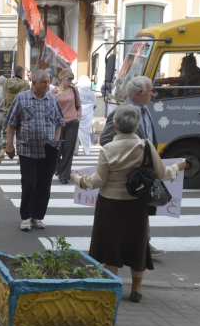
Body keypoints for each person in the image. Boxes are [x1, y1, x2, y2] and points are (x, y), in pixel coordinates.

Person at [72, 104, 186, 303]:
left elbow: (97, 181)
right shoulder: (146, 146)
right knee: (137, 243)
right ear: (136, 127)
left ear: (115, 127)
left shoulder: (107, 149)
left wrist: (77, 179)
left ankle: (113, 286)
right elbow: (162, 174)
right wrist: (177, 166)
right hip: (136, 204)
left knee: (109, 246)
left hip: (109, 205)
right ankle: (136, 288)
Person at [100, 75, 165, 258]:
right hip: (130, 173)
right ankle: (135, 247)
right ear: (138, 93)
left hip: (145, 170)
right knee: (131, 211)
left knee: (142, 207)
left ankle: (144, 244)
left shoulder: (144, 109)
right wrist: (130, 157)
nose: (153, 93)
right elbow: (106, 140)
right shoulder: (122, 112)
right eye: (151, 90)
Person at [6, 69, 65, 230]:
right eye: (43, 82)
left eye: (48, 81)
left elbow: (59, 123)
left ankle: (38, 216)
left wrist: (55, 140)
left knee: (44, 185)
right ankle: (26, 217)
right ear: (34, 83)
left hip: (49, 150)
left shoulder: (52, 100)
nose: (47, 85)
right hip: (27, 150)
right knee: (29, 183)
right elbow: (11, 124)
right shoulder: (22, 98)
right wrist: (9, 144)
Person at [0, 65, 29, 164]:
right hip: (21, 111)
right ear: (21, 74)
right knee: (21, 133)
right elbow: (27, 97)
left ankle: (2, 151)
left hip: (8, 110)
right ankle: (20, 156)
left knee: (5, 132)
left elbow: (4, 95)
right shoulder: (25, 84)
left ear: (14, 73)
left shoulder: (7, 82)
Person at [52, 68, 81, 184]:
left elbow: (78, 104)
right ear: (62, 78)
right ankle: (57, 166)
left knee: (68, 150)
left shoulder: (74, 90)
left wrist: (78, 117)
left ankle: (64, 176)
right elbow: (50, 107)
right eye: (69, 78)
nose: (71, 81)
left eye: (72, 79)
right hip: (58, 124)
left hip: (72, 122)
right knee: (56, 150)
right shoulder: (54, 92)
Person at [76, 74, 96, 156]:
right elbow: (94, 100)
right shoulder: (91, 90)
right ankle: (87, 148)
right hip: (88, 112)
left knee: (79, 130)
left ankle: (78, 148)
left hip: (80, 110)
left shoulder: (77, 89)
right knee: (87, 131)